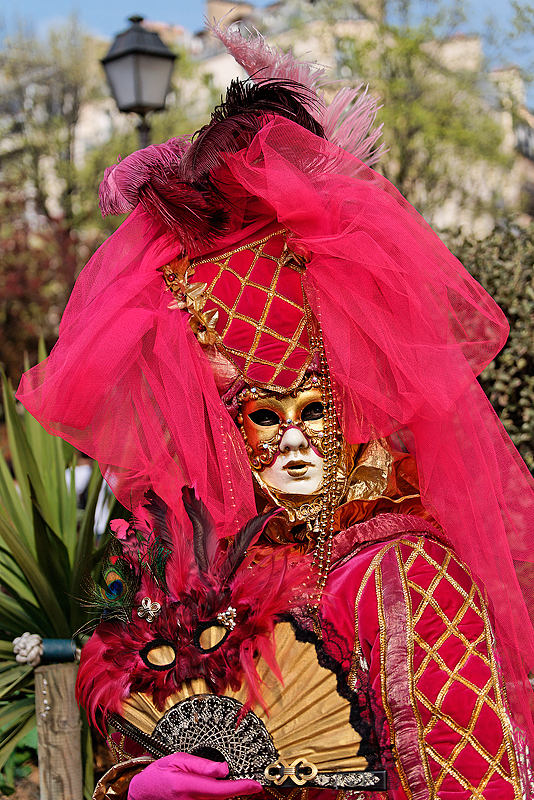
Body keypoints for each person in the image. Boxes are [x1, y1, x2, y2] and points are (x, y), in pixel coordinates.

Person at [17, 25, 534, 800]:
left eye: (303, 406)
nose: (270, 437)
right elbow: (126, 695)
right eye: (246, 414)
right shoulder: (214, 584)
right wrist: (143, 780)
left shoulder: (405, 579)